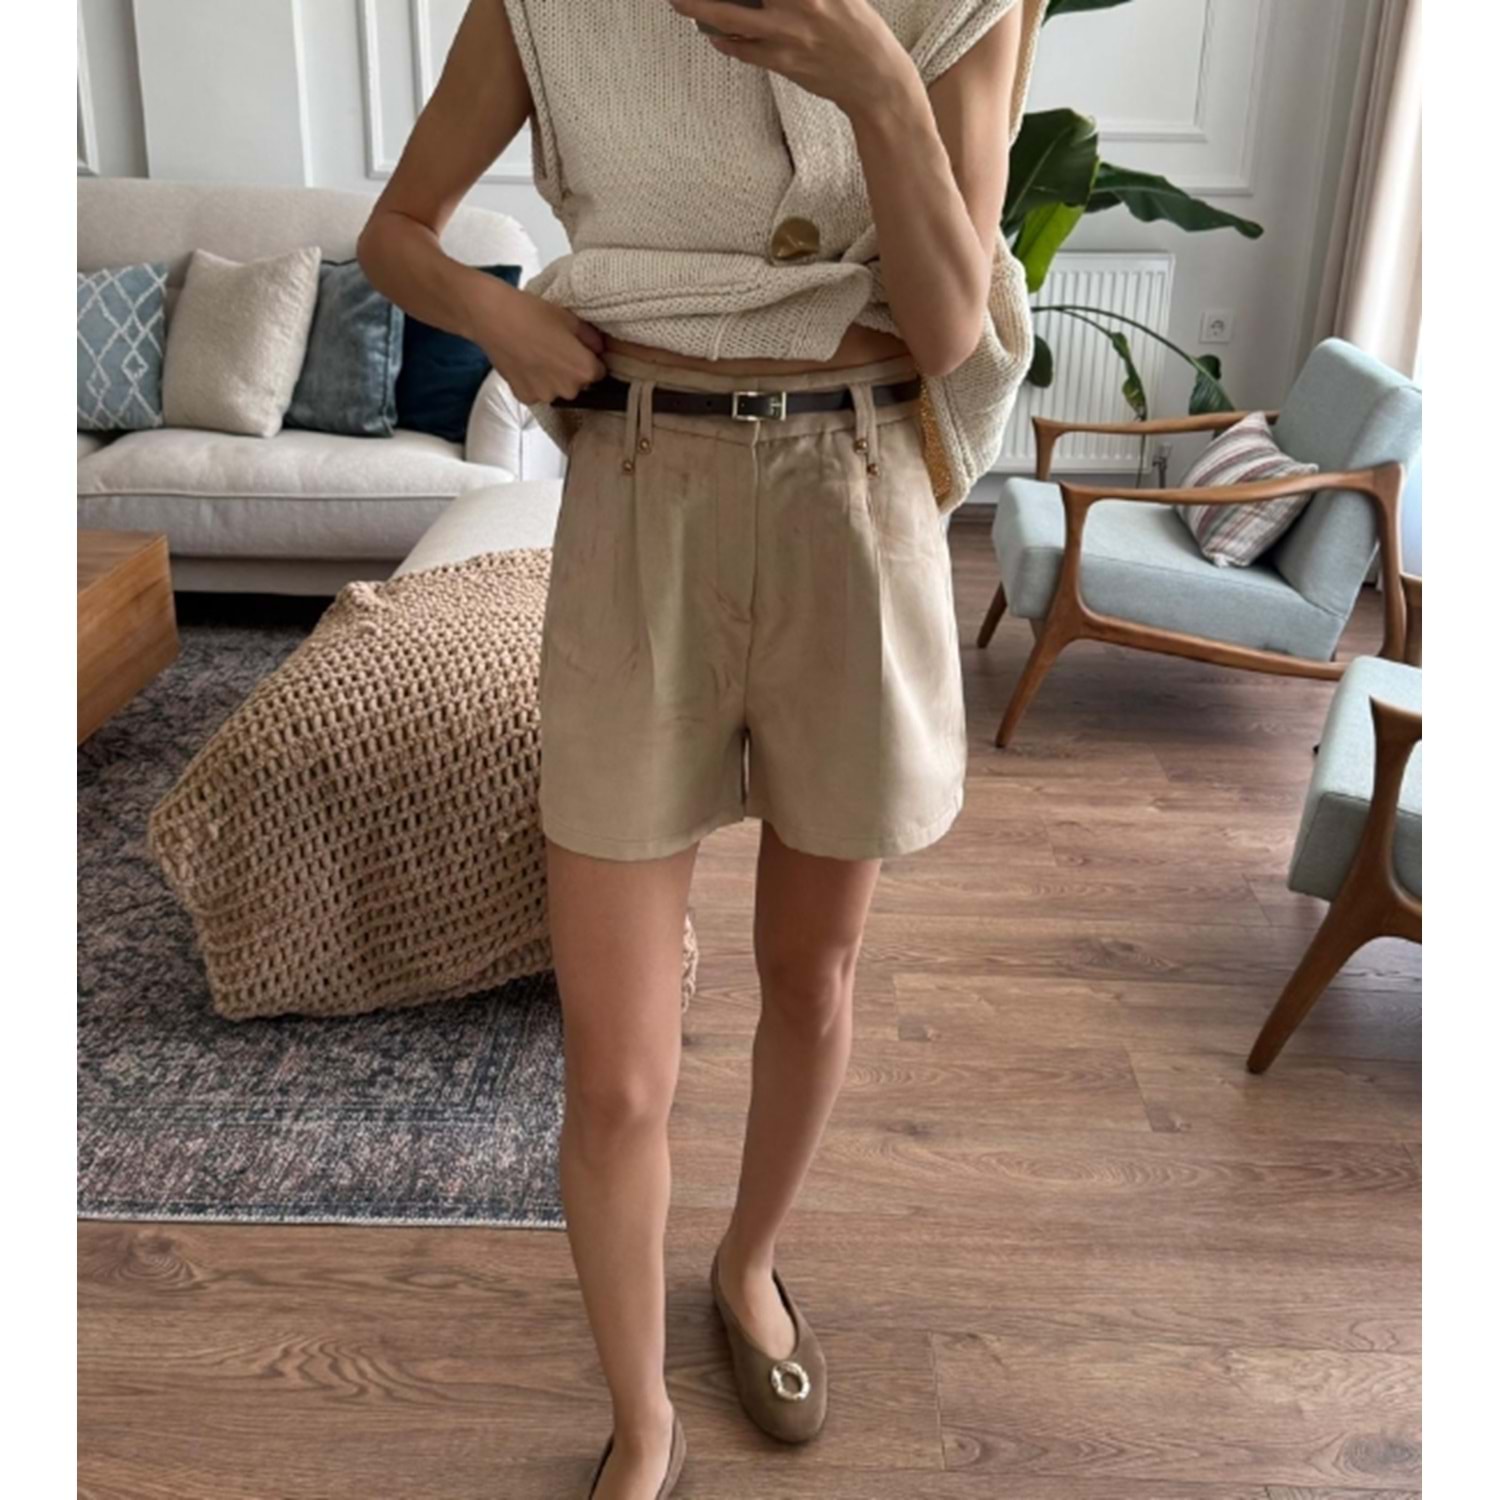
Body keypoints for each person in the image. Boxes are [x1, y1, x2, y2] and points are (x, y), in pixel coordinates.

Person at [358, 3, 1044, 1495]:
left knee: (812, 970)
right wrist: (500, 320)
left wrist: (877, 81)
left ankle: (748, 1263)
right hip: (637, 487)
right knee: (614, 1071)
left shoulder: (957, 10)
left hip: (856, 495)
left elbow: (952, 331)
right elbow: (394, 233)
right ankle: (643, 1415)